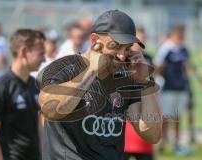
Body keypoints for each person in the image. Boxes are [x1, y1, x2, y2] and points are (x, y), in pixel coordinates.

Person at [37, 10, 162, 160]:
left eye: (127, 48)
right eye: (115, 46)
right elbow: (51, 110)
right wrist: (91, 71)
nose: (122, 55)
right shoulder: (64, 68)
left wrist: (146, 82)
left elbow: (152, 134)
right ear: (95, 40)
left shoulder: (125, 80)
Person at [0, 29, 45, 160]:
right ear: (23, 52)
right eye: (40, 53)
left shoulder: (36, 86)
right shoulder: (0, 88)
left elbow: (39, 127)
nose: (44, 58)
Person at [154, 24, 190, 155]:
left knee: (178, 117)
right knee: (166, 117)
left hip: (181, 88)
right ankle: (161, 143)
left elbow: (187, 66)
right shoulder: (166, 48)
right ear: (176, 33)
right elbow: (158, 66)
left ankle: (176, 144)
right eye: (182, 33)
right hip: (168, 88)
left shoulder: (183, 49)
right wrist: (160, 80)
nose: (184, 36)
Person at [122, 27, 155, 160]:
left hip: (143, 110)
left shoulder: (147, 60)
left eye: (142, 39)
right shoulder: (119, 60)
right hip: (124, 120)